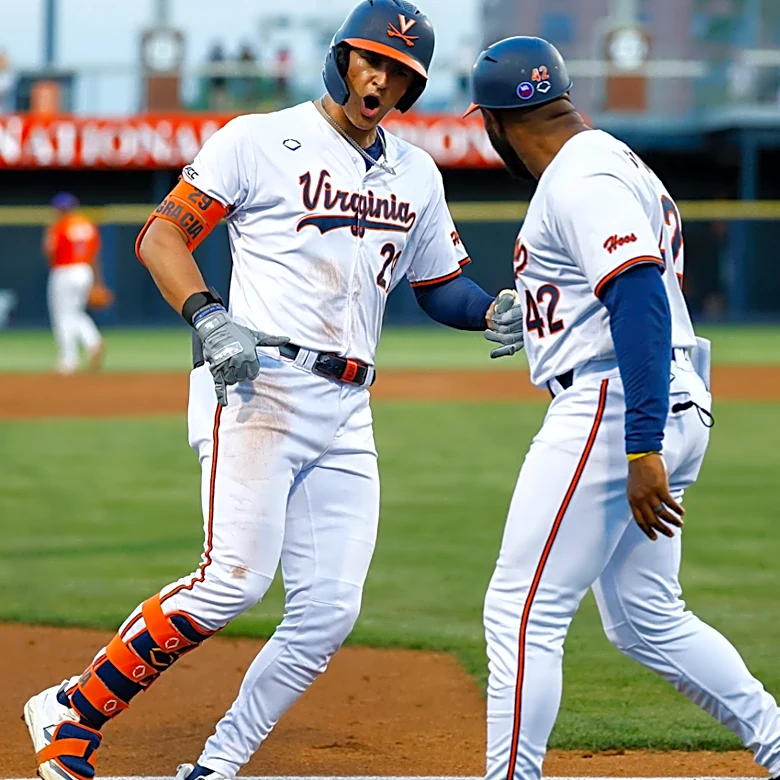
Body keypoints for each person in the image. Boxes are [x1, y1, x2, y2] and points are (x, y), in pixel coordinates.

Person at [22, 3, 524, 780]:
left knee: (327, 613)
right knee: (233, 580)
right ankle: (73, 709)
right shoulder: (258, 140)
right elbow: (161, 236)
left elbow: (440, 285)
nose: (380, 78)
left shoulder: (416, 172)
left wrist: (493, 306)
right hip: (260, 385)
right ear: (341, 58)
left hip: (349, 408)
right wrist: (208, 316)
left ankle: (218, 764)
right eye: (370, 59)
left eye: (399, 72)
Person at [473, 37, 780, 780]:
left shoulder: (580, 175)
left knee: (519, 613)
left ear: (497, 123)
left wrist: (641, 445)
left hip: (618, 403)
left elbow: (638, 295)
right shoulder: (608, 162)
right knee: (647, 618)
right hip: (660, 392)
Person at [43, 192, 104, 374]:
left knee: (62, 315)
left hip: (64, 270)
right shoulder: (87, 225)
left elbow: (49, 251)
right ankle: (93, 341)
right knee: (75, 312)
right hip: (84, 271)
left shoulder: (59, 226)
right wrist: (97, 282)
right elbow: (95, 255)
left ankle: (68, 360)